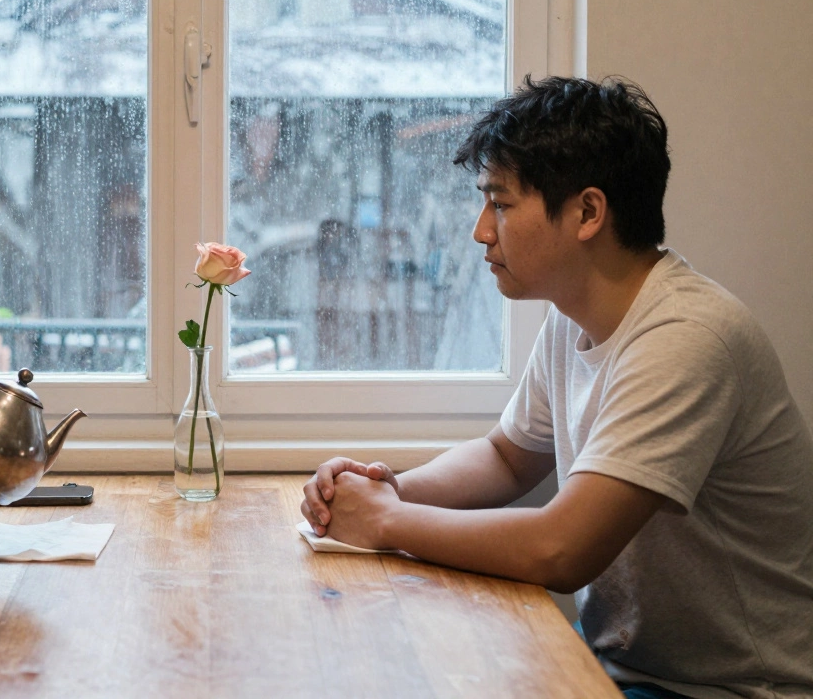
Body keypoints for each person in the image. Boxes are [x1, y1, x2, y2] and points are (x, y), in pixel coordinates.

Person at [301, 76, 813, 699]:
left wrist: (387, 523)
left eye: (502, 204)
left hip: (736, 690)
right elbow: (507, 458)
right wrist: (388, 488)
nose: (481, 231)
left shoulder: (688, 337)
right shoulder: (573, 314)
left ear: (588, 212)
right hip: (628, 673)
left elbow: (560, 550)